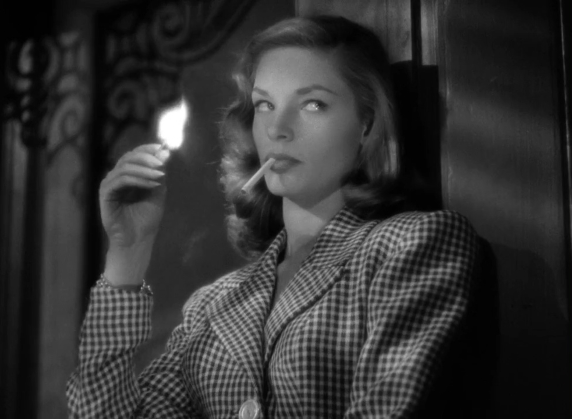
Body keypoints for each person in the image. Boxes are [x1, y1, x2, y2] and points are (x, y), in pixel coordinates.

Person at [67, 15, 479, 418]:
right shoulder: (212, 304)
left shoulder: (410, 245)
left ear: (366, 124)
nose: (277, 129)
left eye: (313, 104)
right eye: (265, 104)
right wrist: (128, 254)